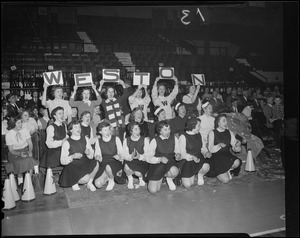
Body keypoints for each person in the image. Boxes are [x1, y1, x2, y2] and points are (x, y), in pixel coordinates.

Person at [59, 120, 99, 191]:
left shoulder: (85, 139)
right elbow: (62, 161)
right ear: (70, 130)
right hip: (72, 166)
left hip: (84, 163)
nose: (79, 129)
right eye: (76, 127)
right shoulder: (66, 142)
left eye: (79, 127)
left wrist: (88, 152)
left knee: (96, 164)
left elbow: (91, 156)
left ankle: (89, 183)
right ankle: (74, 181)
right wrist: (72, 156)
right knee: (85, 178)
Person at [146, 120, 181, 193]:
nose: (168, 131)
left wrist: (178, 155)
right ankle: (160, 177)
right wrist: (159, 159)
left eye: (169, 129)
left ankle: (169, 178)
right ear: (160, 131)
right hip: (158, 164)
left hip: (170, 162)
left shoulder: (174, 138)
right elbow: (148, 158)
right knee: (153, 190)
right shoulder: (155, 140)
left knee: (174, 171)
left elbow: (178, 151)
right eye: (165, 130)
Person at [206, 114, 242, 183]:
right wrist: (219, 145)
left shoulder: (229, 132)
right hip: (216, 157)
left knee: (237, 162)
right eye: (224, 121)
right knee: (226, 180)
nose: (226, 123)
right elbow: (210, 149)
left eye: (226, 121)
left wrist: (237, 146)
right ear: (218, 123)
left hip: (226, 155)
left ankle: (227, 170)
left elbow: (234, 145)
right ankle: (221, 172)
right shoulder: (212, 133)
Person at [5, 115, 38, 185]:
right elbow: (11, 150)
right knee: (19, 162)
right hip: (14, 153)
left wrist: (30, 151)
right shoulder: (9, 134)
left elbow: (30, 143)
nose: (21, 124)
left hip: (25, 150)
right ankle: (21, 183)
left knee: (30, 160)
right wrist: (19, 154)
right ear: (13, 124)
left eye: (21, 122)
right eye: (18, 123)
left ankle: (28, 182)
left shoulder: (25, 131)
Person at [178, 117, 211, 188]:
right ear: (192, 126)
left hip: (199, 158)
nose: (200, 127)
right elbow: (182, 153)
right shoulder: (183, 136)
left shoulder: (199, 135)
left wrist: (206, 153)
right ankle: (191, 175)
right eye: (198, 125)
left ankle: (200, 175)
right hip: (188, 160)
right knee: (187, 185)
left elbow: (203, 148)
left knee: (206, 167)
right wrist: (192, 157)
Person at [93, 120, 125, 191]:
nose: (107, 132)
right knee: (98, 184)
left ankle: (111, 180)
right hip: (104, 163)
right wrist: (98, 157)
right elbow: (97, 154)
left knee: (108, 167)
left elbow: (122, 153)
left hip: (115, 162)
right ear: (100, 132)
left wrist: (119, 156)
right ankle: (108, 176)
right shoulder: (98, 141)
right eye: (105, 130)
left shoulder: (116, 139)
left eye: (108, 129)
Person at [123, 121, 149, 189]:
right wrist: (130, 156)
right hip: (130, 161)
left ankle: (140, 178)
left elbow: (148, 155)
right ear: (131, 131)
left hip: (142, 161)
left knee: (138, 173)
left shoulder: (145, 140)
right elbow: (124, 155)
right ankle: (130, 179)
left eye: (139, 129)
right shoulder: (126, 140)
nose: (138, 131)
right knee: (126, 167)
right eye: (135, 129)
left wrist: (139, 156)